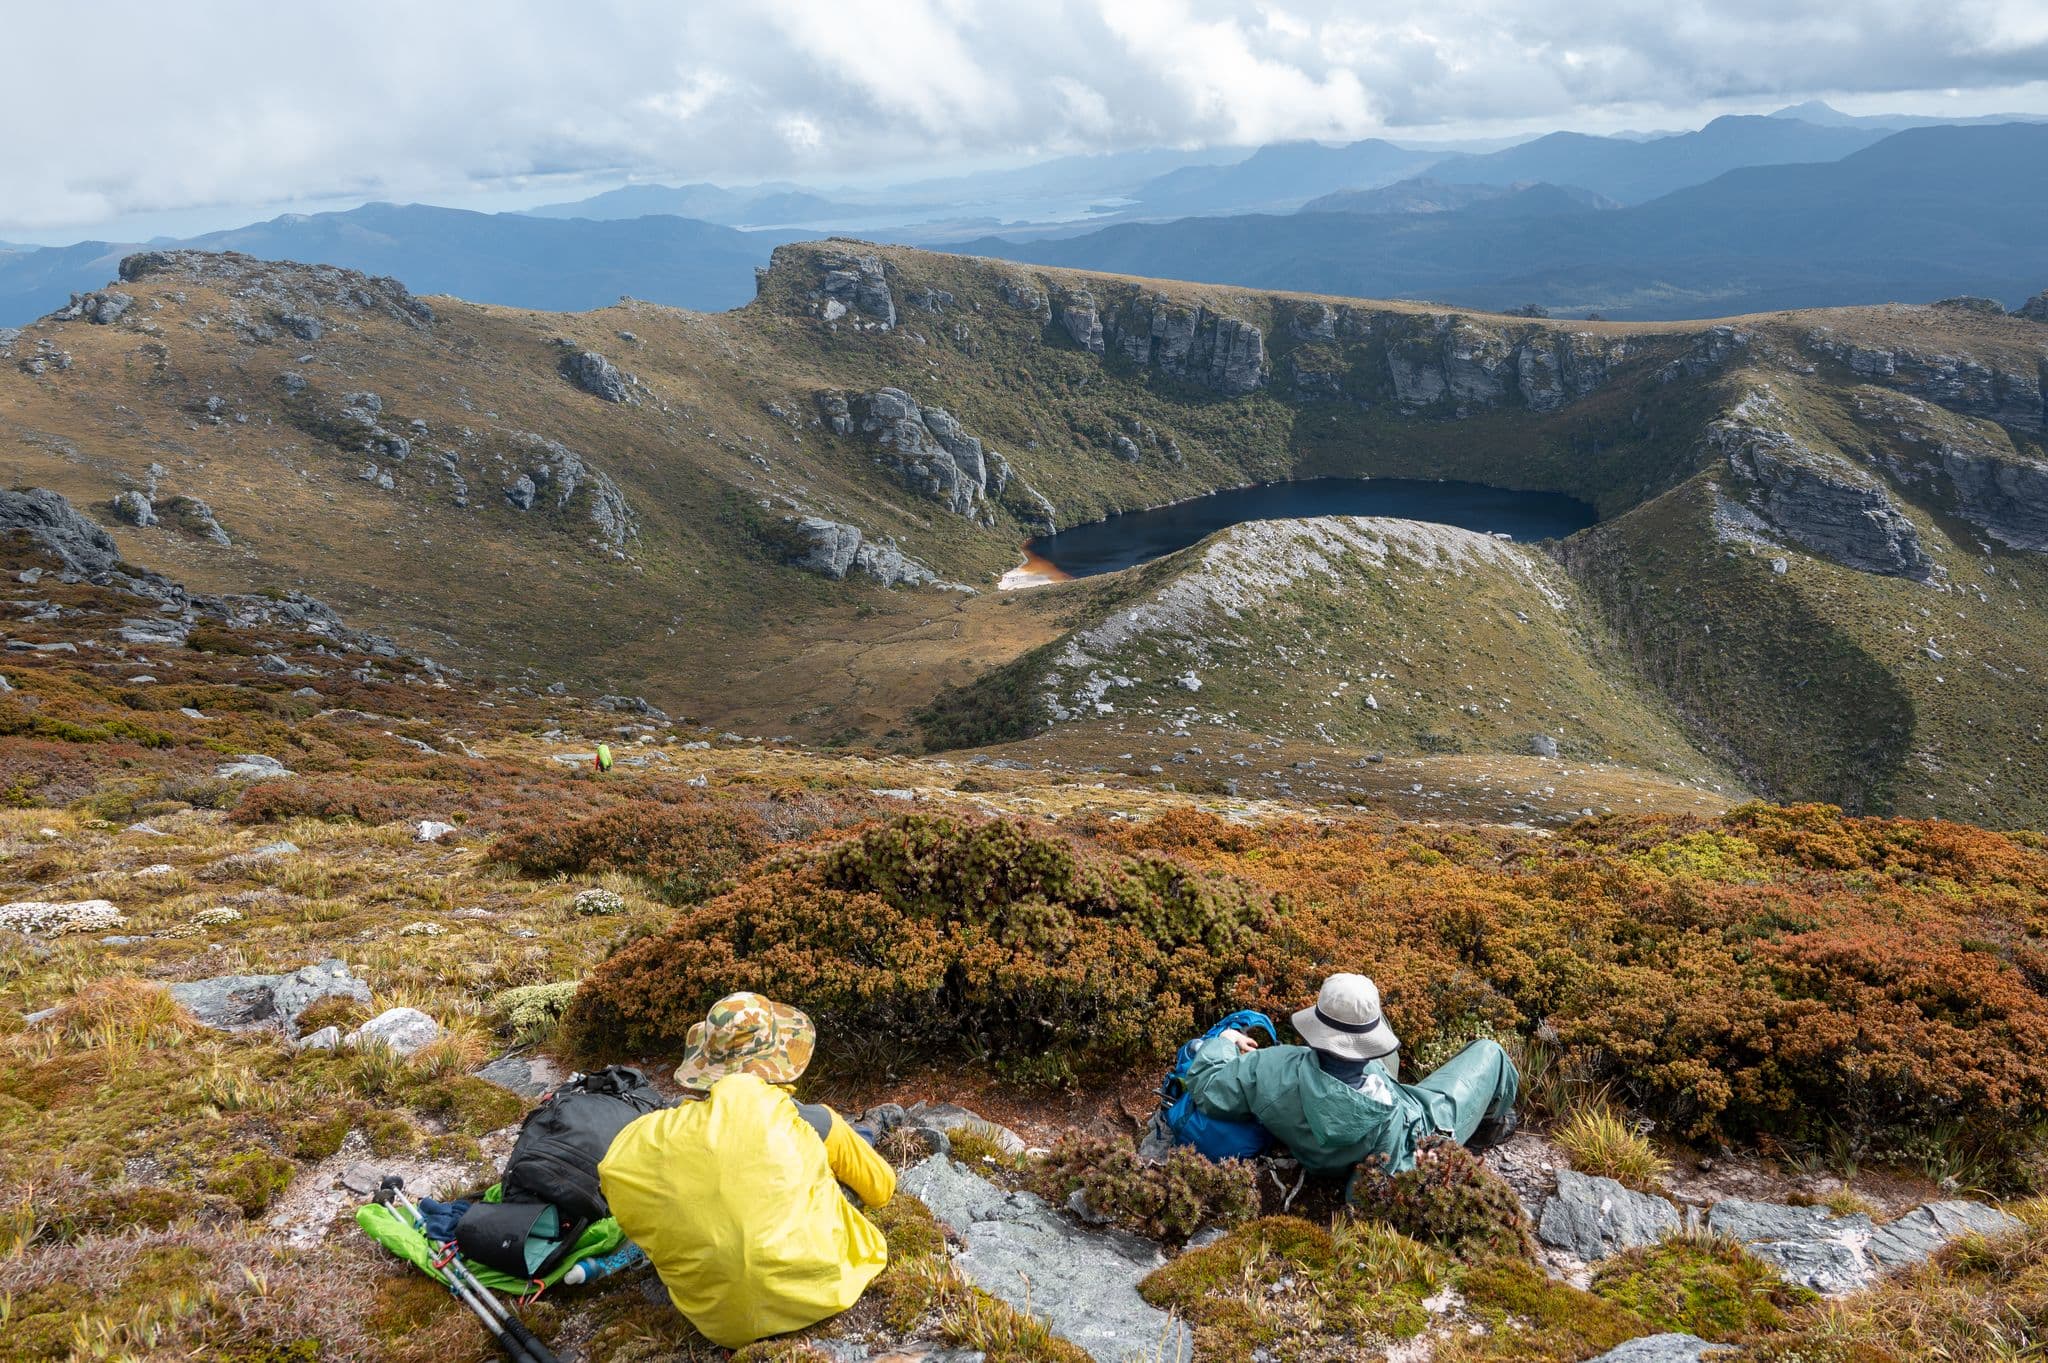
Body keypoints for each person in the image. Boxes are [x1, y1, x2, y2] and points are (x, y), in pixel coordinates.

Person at [597, 992, 895, 1348]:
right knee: (838, 1186)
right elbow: (882, 1189)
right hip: (830, 1290)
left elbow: (612, 1173)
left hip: (721, 1327)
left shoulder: (656, 1137)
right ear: (777, 1056)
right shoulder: (815, 1120)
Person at [1179, 973, 1519, 1177]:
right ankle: (1490, 1128)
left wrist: (1227, 1040)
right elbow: (1391, 1172)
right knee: (1490, 1053)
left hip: (1322, 1151)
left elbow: (1207, 1088)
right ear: (1366, 1045)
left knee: (1377, 1029)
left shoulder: (1269, 1068)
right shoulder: (1385, 1111)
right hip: (1419, 1125)